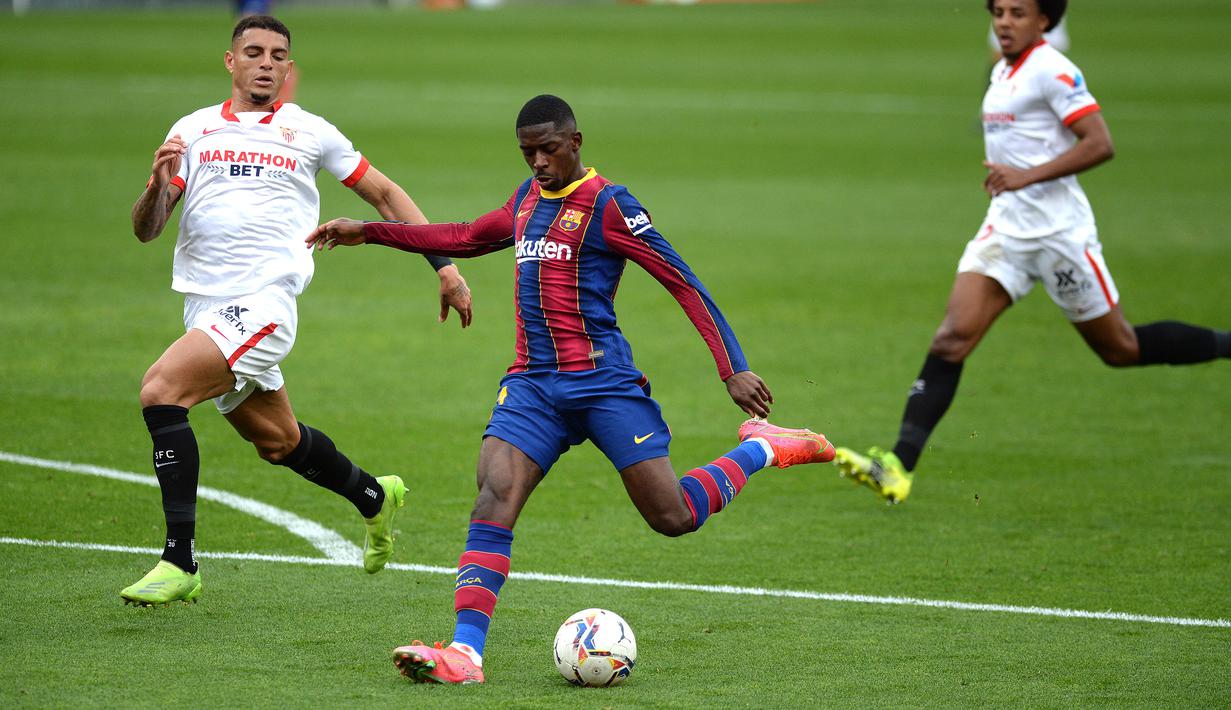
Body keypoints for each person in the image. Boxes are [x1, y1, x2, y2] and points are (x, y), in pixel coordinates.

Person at [308, 94, 836, 684]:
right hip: (533, 387)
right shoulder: (527, 200)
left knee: (673, 515)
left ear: (576, 142)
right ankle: (465, 654)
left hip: (604, 385)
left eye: (548, 149)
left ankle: (763, 446)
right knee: (493, 494)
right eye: (527, 151)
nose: (536, 162)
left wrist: (730, 366)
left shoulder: (611, 206)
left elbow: (683, 281)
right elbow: (464, 236)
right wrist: (372, 233)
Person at [123, 15, 473, 606]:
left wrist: (443, 263)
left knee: (161, 391)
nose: (266, 63)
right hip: (206, 307)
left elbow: (384, 194)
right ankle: (373, 496)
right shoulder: (193, 131)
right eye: (253, 52)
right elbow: (146, 230)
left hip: (264, 303)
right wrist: (158, 187)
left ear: (289, 67)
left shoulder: (310, 132)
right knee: (279, 442)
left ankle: (178, 560)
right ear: (230, 62)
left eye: (278, 55)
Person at [834, 0, 1230, 504]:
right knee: (952, 338)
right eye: (998, 11)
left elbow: (1100, 142)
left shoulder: (1054, 70)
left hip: (1059, 237)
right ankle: (897, 467)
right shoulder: (1002, 69)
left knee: (1120, 349)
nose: (1004, 22)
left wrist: (1025, 175)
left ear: (1046, 20)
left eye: (1018, 13)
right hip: (1006, 230)